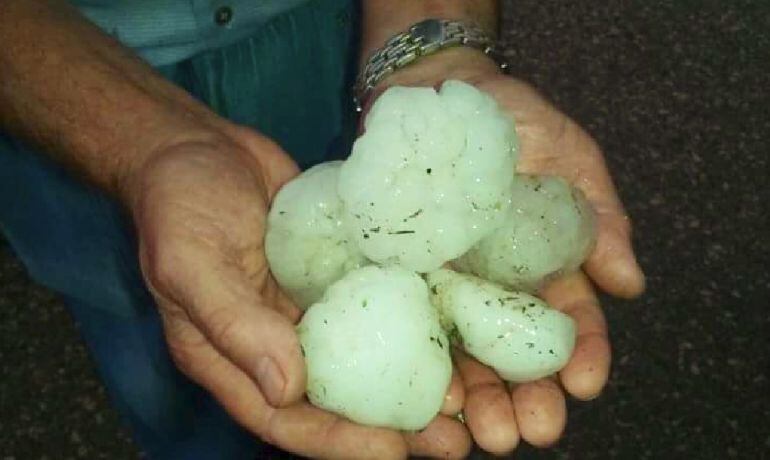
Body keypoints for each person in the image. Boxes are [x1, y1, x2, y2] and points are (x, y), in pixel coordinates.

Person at [0, 1, 645, 458]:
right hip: (51, 72)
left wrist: (432, 37)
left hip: (323, 30)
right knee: (147, 343)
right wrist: (139, 147)